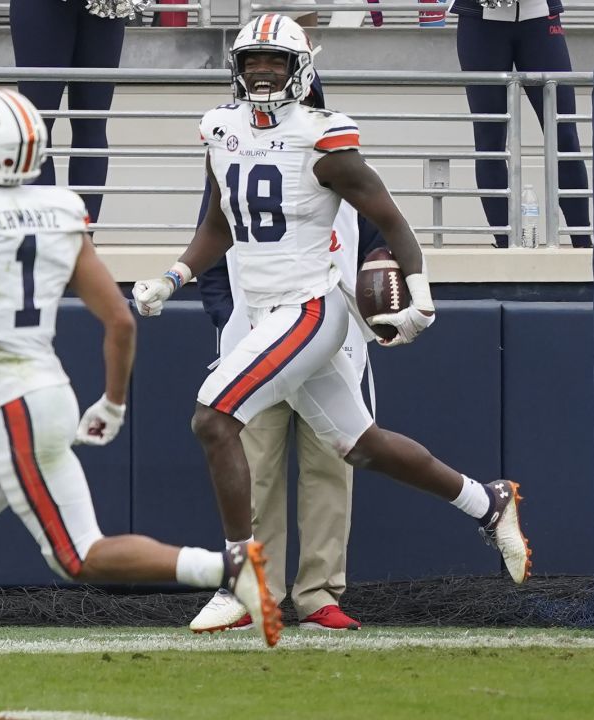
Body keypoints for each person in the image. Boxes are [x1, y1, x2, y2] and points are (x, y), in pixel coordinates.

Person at [0, 89, 281, 719]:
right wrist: (114, 402)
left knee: (79, 556)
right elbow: (119, 321)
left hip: (13, 407)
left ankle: (226, 567)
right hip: (45, 396)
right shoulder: (59, 210)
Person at [132, 15, 533, 600]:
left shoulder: (322, 134)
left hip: (309, 309)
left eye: (275, 61)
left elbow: (389, 215)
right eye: (252, 62)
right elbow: (220, 221)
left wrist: (419, 287)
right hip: (261, 310)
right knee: (363, 445)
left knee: (213, 418)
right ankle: (487, 502)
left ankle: (238, 578)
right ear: (236, 69)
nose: (262, 72)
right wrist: (175, 276)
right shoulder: (220, 128)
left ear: (302, 68)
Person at [189, 75, 383, 634]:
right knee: (254, 466)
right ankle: (257, 592)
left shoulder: (338, 158)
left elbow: (376, 241)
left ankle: (319, 592)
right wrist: (225, 314)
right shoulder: (235, 152)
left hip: (326, 330)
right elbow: (212, 233)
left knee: (332, 467)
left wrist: (382, 287)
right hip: (256, 331)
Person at [450, 0, 592, 248]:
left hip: (540, 19)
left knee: (564, 133)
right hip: (480, 21)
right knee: (490, 136)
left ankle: (583, 244)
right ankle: (506, 244)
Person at [9, 0, 130, 223]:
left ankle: (83, 241)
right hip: (43, 7)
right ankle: (43, 239)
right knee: (37, 127)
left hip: (107, 5)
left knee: (91, 123)